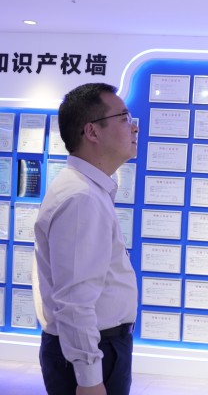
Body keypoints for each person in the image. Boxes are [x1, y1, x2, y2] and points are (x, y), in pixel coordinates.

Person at [32, 83, 139, 395]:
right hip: (93, 352)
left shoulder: (88, 189)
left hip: (99, 346)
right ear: (92, 131)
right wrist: (89, 379)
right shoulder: (81, 197)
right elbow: (74, 299)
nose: (133, 127)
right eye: (124, 118)